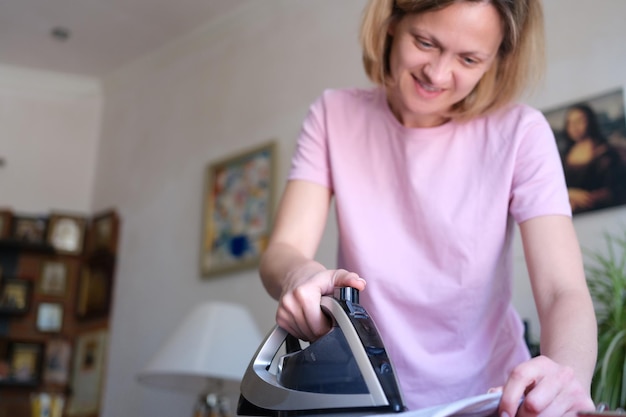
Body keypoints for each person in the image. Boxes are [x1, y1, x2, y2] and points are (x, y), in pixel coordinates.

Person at [259, 1, 598, 417]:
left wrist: (566, 377)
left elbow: (562, 290)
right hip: (365, 394)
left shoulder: (521, 133)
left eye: (469, 59)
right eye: (424, 42)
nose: (437, 74)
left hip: (491, 398)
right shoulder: (333, 116)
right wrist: (301, 276)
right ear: (390, 26)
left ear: (497, 60)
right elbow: (283, 249)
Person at [561, 103, 626, 214]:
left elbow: (616, 188)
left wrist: (589, 198)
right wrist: (569, 193)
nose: (575, 127)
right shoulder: (563, 156)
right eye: (570, 123)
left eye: (579, 121)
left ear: (590, 122)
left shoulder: (606, 153)